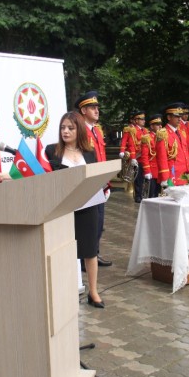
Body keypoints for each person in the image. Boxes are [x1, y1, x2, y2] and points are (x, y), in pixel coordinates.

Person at [45, 111, 104, 308]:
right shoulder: (52, 151)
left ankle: (93, 291)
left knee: (90, 251)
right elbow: (42, 176)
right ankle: (66, 293)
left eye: (70, 128)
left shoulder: (89, 152)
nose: (66, 131)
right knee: (65, 251)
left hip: (88, 207)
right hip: (64, 210)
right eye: (63, 127)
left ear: (79, 130)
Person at [75, 91, 113, 268]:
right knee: (88, 224)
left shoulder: (97, 130)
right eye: (92, 107)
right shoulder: (80, 130)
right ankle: (85, 258)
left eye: (97, 107)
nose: (97, 110)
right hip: (88, 183)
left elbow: (102, 157)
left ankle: (94, 254)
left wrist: (107, 183)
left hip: (100, 182)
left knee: (99, 222)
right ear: (83, 110)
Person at [156, 103, 189, 187]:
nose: (179, 119)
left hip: (184, 176)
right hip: (172, 177)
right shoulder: (163, 133)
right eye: (176, 116)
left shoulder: (181, 133)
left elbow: (185, 154)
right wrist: (164, 177)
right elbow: (162, 157)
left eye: (180, 116)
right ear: (169, 117)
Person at [119, 111, 147, 202]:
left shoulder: (145, 131)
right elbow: (127, 143)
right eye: (141, 119)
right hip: (136, 156)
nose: (143, 121)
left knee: (144, 176)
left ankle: (143, 194)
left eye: (144, 119)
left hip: (144, 156)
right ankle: (138, 196)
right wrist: (123, 151)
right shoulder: (130, 129)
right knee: (137, 177)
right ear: (136, 120)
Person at [140, 114, 162, 198]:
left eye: (160, 124)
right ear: (152, 126)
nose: (160, 126)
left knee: (159, 194)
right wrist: (147, 171)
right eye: (157, 124)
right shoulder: (147, 138)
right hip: (152, 171)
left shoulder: (162, 137)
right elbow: (144, 156)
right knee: (151, 195)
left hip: (161, 170)